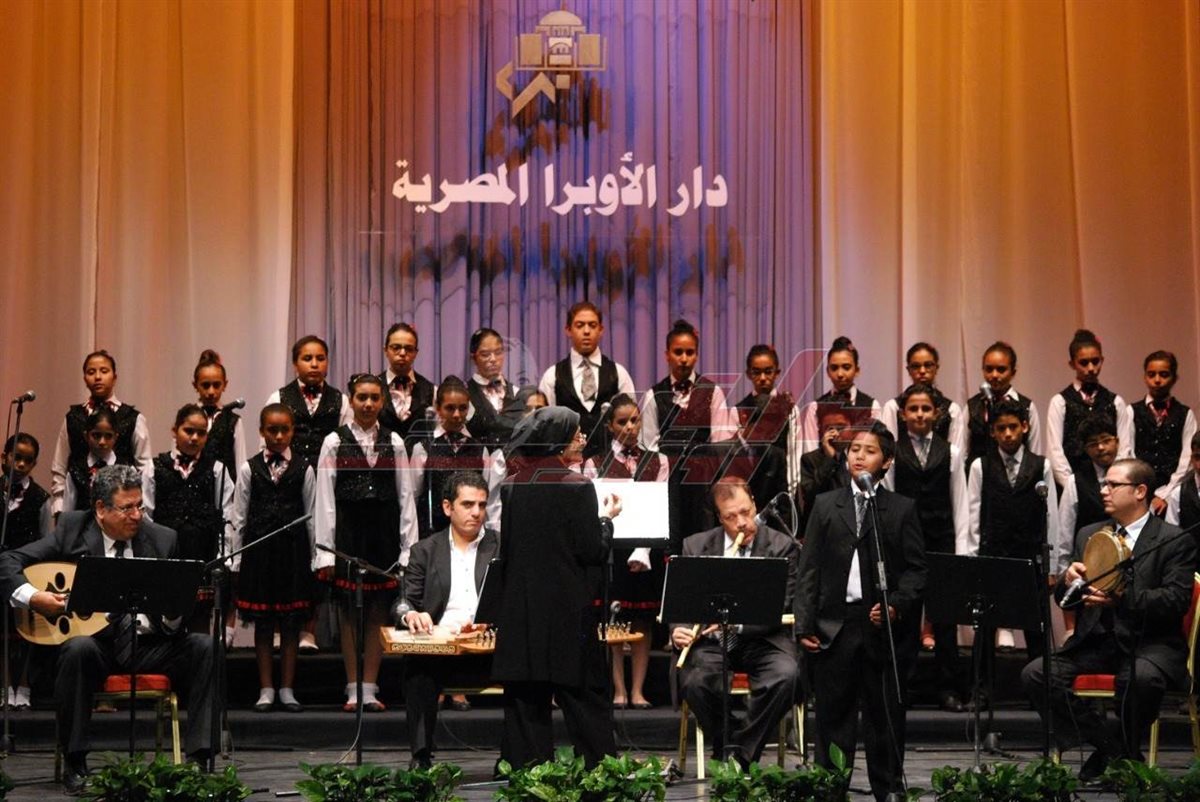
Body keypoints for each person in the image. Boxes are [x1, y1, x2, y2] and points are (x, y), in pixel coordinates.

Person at [0, 465, 215, 793]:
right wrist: (34, 598)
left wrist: (173, 614)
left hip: (149, 645)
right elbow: (7, 561)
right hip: (98, 648)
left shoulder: (163, 539)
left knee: (205, 646)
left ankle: (198, 759)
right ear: (101, 509)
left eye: (140, 506)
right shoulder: (72, 529)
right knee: (78, 647)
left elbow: (172, 622)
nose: (137, 515)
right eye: (127, 508)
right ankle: (75, 762)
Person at [1021, 458, 1197, 781]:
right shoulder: (1090, 534)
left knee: (1141, 680)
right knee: (1037, 674)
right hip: (1097, 642)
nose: (1104, 490)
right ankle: (1111, 747)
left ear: (1140, 491)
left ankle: (1115, 750)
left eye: (1113, 485)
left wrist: (1122, 598)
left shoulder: (1173, 540)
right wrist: (1068, 581)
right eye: (1105, 484)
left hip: (1150, 643)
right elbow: (1064, 600)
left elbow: (1175, 600)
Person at [796, 422, 926, 802]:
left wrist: (895, 604)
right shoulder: (826, 504)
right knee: (833, 716)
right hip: (835, 625)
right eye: (854, 449)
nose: (858, 456)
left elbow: (917, 570)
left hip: (881, 628)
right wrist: (804, 623)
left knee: (883, 715)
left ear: (886, 461)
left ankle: (888, 790)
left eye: (869, 451)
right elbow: (809, 568)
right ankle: (830, 791)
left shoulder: (900, 509)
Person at [492, 406, 621, 768]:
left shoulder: (512, 485)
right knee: (584, 698)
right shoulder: (577, 486)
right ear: (558, 440)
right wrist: (606, 522)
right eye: (576, 433)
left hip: (523, 611)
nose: (582, 439)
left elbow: (510, 550)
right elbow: (591, 551)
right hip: (567, 611)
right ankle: (600, 775)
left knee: (527, 700)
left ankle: (530, 780)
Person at [671, 477, 799, 767]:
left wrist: (736, 622)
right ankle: (727, 741)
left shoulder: (782, 546)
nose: (742, 522)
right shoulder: (696, 545)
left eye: (746, 512)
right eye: (731, 517)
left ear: (754, 504)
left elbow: (784, 603)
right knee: (694, 682)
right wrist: (678, 629)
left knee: (786, 675)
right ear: (719, 517)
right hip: (712, 643)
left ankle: (741, 752)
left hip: (763, 639)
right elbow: (682, 599)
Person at [314, 373, 414, 712]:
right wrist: (325, 552)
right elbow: (325, 499)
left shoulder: (394, 442)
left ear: (382, 401)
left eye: (374, 398)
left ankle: (369, 687)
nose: (368, 404)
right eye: (362, 398)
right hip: (348, 535)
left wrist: (407, 548)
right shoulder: (334, 441)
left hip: (383, 536)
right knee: (348, 614)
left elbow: (405, 497)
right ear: (352, 400)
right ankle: (352, 686)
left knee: (377, 613)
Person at [400, 471, 500, 768]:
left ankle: (514, 759)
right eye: (468, 504)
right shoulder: (425, 551)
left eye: (481, 505)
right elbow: (404, 601)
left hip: (490, 649)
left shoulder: (501, 547)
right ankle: (421, 758)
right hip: (442, 650)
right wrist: (410, 614)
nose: (476, 512)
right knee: (417, 668)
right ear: (447, 507)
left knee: (524, 665)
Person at [881, 384, 968, 712]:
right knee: (905, 618)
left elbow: (960, 501)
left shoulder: (952, 452)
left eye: (926, 409)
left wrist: (961, 549)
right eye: (913, 409)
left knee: (944, 619)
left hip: (941, 540)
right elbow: (888, 499)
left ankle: (949, 688)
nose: (919, 414)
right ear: (903, 414)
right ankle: (902, 688)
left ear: (937, 413)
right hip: (905, 545)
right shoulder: (893, 453)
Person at [583, 394, 669, 709]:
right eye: (622, 422)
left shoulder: (659, 461)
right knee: (614, 620)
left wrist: (642, 551)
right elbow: (596, 510)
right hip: (613, 549)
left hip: (645, 549)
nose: (630, 427)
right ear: (610, 425)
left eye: (635, 420)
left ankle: (638, 690)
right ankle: (618, 689)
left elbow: (658, 507)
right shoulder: (594, 463)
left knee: (642, 621)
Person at [231, 403, 316, 713]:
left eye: (284, 430)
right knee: (264, 625)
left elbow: (311, 515)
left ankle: (287, 688)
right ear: (261, 431)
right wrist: (236, 559)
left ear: (293, 431)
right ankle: (266, 688)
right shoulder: (248, 468)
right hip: (259, 554)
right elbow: (239, 517)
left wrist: (314, 558)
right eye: (272, 430)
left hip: (293, 555)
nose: (279, 436)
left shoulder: (304, 468)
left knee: (291, 625)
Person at [965, 399, 1058, 682]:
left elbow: (1051, 515)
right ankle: (981, 689)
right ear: (992, 431)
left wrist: (1052, 565)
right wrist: (972, 559)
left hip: (1030, 556)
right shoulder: (981, 466)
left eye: (1013, 427)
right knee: (985, 628)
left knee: (1036, 628)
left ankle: (1041, 688)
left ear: (1025, 427)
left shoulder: (1041, 465)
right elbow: (973, 514)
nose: (1008, 434)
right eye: (1001, 428)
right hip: (992, 555)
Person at [640, 319, 738, 547]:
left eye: (689, 352)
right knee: (671, 540)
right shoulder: (654, 395)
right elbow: (649, 447)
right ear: (667, 355)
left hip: (703, 483)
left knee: (704, 541)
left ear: (696, 355)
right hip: (668, 484)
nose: (684, 358)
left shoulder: (713, 392)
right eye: (678, 352)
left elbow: (720, 444)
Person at [142, 404, 234, 633]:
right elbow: (146, 516)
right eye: (188, 431)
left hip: (201, 556)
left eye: (201, 433)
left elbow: (226, 515)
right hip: (165, 558)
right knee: (163, 619)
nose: (194, 438)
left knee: (199, 620)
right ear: (175, 430)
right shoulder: (154, 468)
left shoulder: (217, 470)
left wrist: (222, 556)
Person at [51, 350, 152, 517]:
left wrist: (143, 512)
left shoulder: (133, 418)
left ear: (114, 377)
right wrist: (59, 508)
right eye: (91, 372)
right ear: (84, 378)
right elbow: (60, 466)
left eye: (104, 371)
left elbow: (145, 468)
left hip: (123, 510)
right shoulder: (73, 417)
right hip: (80, 506)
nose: (97, 377)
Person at [407, 377, 504, 543]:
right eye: (450, 408)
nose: (457, 414)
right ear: (438, 408)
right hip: (432, 536)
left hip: (472, 537)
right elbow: (412, 499)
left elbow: (491, 502)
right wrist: (411, 544)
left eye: (462, 408)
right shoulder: (423, 449)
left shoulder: (481, 450)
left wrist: (494, 540)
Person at [537, 301, 636, 456]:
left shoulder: (619, 373)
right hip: (567, 462)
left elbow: (632, 422)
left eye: (592, 325)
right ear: (568, 330)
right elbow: (546, 427)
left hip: (611, 462)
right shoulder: (552, 376)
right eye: (580, 325)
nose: (587, 331)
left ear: (601, 330)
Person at [1046, 329, 1133, 488]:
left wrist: (1114, 483)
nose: (1091, 368)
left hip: (1112, 486)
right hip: (1073, 484)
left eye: (1095, 361)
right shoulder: (1059, 402)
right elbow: (1055, 451)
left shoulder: (1116, 402)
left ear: (1102, 360)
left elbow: (1124, 448)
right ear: (1072, 364)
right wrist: (1072, 487)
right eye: (1084, 363)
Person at [2, 433, 52, 710]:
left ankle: (23, 684)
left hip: (27, 570)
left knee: (27, 631)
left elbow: (46, 539)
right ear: (4, 457)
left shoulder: (40, 498)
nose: (21, 464)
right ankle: (4, 684)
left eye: (28, 460)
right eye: (16, 457)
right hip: (0, 570)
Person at [1120, 351, 1195, 513]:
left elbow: (1187, 459)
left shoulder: (1185, 413)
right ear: (1144, 377)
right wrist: (1142, 488)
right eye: (1151, 374)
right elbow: (1127, 452)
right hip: (1139, 489)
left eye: (1164, 374)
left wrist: (1166, 493)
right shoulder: (1131, 411)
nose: (1157, 380)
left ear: (1174, 378)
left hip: (1174, 492)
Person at [266, 335, 352, 468]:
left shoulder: (342, 400)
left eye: (320, 358)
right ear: (295, 364)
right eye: (307, 359)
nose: (314, 364)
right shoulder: (277, 399)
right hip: (288, 476)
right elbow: (267, 448)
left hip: (327, 475)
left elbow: (346, 447)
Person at [731, 344, 801, 508]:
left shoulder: (790, 409)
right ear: (748, 374)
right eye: (756, 372)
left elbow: (794, 454)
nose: (762, 377)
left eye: (768, 371)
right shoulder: (739, 410)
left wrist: (789, 495)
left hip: (781, 489)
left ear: (777, 372)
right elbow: (736, 459)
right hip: (749, 491)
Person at [963, 341, 1042, 470]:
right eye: (989, 369)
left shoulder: (1027, 407)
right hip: (979, 476)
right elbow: (963, 452)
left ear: (1013, 372)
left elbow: (1034, 452)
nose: (994, 375)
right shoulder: (972, 406)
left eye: (1001, 369)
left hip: (1018, 477)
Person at [798, 337, 881, 455]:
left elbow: (877, 449)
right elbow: (811, 454)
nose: (840, 374)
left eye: (846, 367)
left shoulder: (872, 406)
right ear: (827, 371)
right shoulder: (815, 408)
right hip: (824, 466)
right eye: (834, 368)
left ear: (857, 370)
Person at [880, 343, 966, 453]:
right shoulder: (893, 407)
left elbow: (956, 453)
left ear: (936, 368)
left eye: (928, 365)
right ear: (908, 370)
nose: (922, 371)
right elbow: (889, 451)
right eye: (916, 366)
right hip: (902, 463)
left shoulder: (952, 409)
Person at [465, 328, 530, 449]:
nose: (493, 359)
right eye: (485, 354)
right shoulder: (465, 394)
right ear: (473, 358)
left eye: (498, 352)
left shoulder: (516, 392)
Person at [192, 349, 247, 478]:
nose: (211, 391)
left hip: (226, 487)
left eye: (216, 385)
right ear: (195, 385)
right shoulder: (186, 418)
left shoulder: (233, 421)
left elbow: (240, 463)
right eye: (205, 385)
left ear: (225, 385)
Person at [377, 323, 436, 444]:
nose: (403, 353)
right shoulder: (372, 387)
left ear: (416, 353)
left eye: (409, 349)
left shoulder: (431, 390)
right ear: (385, 350)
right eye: (396, 347)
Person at [61, 407, 121, 513]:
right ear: (86, 436)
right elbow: (68, 512)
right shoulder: (76, 470)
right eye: (96, 435)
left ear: (116, 437)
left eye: (108, 436)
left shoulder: (126, 469)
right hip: (84, 523)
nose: (102, 442)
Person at [1164, 431, 1200, 533]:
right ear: (1191, 458)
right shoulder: (1178, 494)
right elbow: (1171, 536)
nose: (1199, 465)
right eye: (1197, 457)